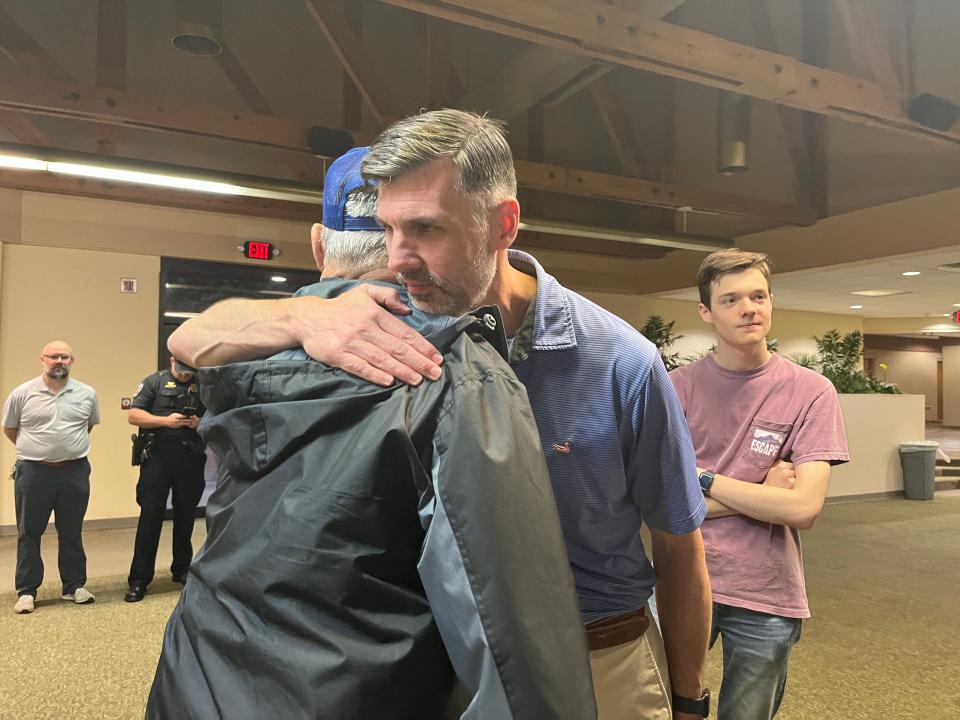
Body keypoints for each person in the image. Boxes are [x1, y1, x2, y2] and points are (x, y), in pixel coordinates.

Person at [168, 110, 712, 719]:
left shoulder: (621, 362)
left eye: (425, 229)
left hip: (596, 659)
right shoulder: (392, 319)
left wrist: (691, 695)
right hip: (442, 663)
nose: (399, 256)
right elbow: (191, 338)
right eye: (389, 227)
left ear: (503, 223)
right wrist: (297, 317)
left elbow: (679, 547)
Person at [669, 249, 850, 720]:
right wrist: (761, 492)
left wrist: (702, 479)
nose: (749, 308)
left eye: (758, 295)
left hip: (767, 591)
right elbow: (658, 502)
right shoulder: (674, 387)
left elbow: (802, 509)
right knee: (665, 707)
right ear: (706, 311)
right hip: (683, 577)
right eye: (731, 300)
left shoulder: (811, 391)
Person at [2, 340, 100, 614]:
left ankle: (73, 586)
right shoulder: (22, 393)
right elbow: (10, 428)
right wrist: (39, 451)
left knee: (71, 531)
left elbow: (87, 426)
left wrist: (65, 449)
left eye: (65, 357)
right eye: (54, 356)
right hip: (34, 472)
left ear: (72, 360)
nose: (59, 361)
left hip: (74, 471)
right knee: (29, 532)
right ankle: (27, 591)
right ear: (42, 359)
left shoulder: (87, 393)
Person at [124, 356, 206, 602]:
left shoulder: (204, 383)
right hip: (157, 460)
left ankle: (182, 570)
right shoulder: (154, 382)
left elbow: (219, 415)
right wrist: (165, 422)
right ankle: (139, 580)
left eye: (188, 372)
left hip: (190, 459)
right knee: (150, 518)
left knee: (186, 517)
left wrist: (200, 422)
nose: (184, 375)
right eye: (180, 371)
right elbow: (134, 415)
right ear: (172, 361)